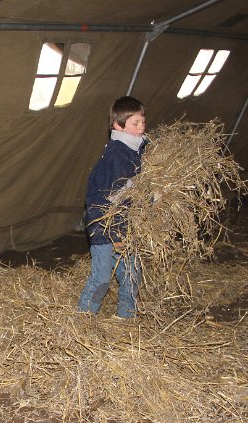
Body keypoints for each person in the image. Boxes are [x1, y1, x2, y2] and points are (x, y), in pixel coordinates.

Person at [77, 96, 147, 319]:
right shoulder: (117, 156)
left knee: (131, 274)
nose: (141, 127)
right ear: (118, 125)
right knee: (102, 278)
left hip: (125, 224)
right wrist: (116, 234)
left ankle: (126, 317)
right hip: (104, 225)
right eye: (135, 124)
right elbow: (111, 200)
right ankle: (83, 319)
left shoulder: (137, 149)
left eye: (143, 122)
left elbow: (135, 191)